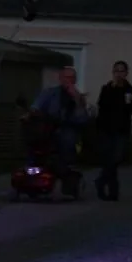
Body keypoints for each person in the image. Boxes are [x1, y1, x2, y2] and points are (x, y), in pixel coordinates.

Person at [31, 66, 91, 197]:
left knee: (68, 142)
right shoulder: (50, 93)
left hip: (68, 130)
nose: (68, 81)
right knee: (36, 143)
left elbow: (83, 119)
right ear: (60, 78)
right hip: (49, 129)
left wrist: (77, 101)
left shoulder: (78, 98)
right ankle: (33, 176)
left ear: (75, 80)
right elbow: (36, 107)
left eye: (71, 78)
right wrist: (32, 114)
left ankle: (65, 176)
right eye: (66, 77)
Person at [94, 60, 132, 201]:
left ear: (126, 73)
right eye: (116, 71)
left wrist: (130, 102)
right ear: (113, 73)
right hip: (106, 129)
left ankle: (101, 181)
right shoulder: (107, 88)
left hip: (121, 130)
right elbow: (102, 106)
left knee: (116, 158)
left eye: (122, 71)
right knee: (109, 159)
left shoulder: (131, 91)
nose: (119, 74)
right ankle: (112, 191)